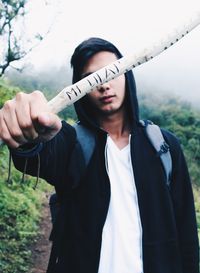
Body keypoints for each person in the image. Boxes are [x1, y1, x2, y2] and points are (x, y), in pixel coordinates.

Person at [0, 37, 199, 273]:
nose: (104, 85)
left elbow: (186, 231)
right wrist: (28, 133)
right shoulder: (72, 141)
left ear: (127, 75)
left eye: (112, 73)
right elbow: (40, 151)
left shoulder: (165, 146)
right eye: (92, 79)